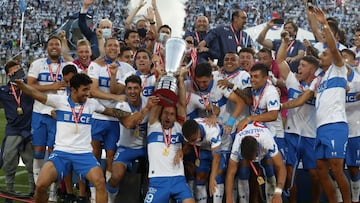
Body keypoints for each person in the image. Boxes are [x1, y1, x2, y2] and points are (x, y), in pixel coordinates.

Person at [14, 73, 136, 203]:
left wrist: (130, 114)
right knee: (41, 185)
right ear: (73, 89)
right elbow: (36, 95)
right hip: (61, 153)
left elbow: (110, 111)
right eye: (84, 90)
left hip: (83, 154)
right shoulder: (59, 101)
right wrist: (23, 86)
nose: (88, 93)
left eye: (88, 89)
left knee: (100, 182)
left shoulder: (92, 104)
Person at [281, 8, 351, 203]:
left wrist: (323, 24)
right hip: (320, 128)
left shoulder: (338, 69)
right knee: (321, 171)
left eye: (326, 54)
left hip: (336, 124)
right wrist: (280, 107)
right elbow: (301, 100)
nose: (323, 56)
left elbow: (334, 48)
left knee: (336, 169)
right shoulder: (317, 80)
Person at [87, 37, 135, 200]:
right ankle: (94, 191)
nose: (113, 48)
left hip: (115, 119)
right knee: (94, 152)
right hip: (97, 115)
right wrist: (114, 96)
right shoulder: (95, 65)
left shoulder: (127, 68)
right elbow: (92, 91)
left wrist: (114, 78)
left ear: (119, 49)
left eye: (116, 46)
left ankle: (107, 193)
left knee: (110, 156)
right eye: (110, 45)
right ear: (105, 48)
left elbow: (120, 89)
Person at [276, 31, 321, 203]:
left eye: (302, 65)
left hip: (311, 136)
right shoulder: (293, 82)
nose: (299, 68)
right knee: (289, 176)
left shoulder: (319, 86)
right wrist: (284, 42)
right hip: (292, 134)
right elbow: (280, 61)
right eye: (299, 65)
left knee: (315, 175)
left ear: (312, 69)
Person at [27, 35, 69, 202]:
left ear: (61, 47)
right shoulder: (38, 64)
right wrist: (52, 86)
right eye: (51, 44)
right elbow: (30, 86)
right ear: (46, 47)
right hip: (39, 112)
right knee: (38, 153)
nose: (54, 47)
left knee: (53, 155)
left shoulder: (67, 66)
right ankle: (39, 190)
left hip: (57, 114)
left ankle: (52, 192)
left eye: (57, 44)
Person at [144, 67, 195, 203]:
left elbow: (182, 104)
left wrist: (180, 80)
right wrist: (160, 79)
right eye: (165, 113)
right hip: (158, 180)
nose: (168, 116)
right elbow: (157, 100)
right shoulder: (153, 126)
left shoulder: (179, 127)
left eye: (172, 114)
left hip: (178, 178)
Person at [106, 75, 156, 202]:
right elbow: (128, 124)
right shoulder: (121, 106)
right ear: (125, 90)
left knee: (154, 176)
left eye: (135, 88)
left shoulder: (149, 101)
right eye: (129, 88)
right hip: (126, 148)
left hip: (146, 148)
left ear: (141, 88)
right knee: (116, 177)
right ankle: (110, 198)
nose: (132, 91)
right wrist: (146, 109)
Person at [225, 121, 286, 203]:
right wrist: (229, 199)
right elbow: (230, 173)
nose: (252, 161)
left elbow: (281, 168)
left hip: (266, 132)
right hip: (247, 136)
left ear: (257, 150)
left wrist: (278, 192)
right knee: (243, 170)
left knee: (269, 169)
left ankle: (273, 198)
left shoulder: (267, 141)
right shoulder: (237, 144)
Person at [0, 61, 35, 200]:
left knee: (31, 163)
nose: (18, 71)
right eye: (15, 70)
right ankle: (9, 192)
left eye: (19, 69)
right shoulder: (4, 91)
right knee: (8, 161)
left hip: (29, 130)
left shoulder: (30, 86)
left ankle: (33, 191)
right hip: (13, 131)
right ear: (9, 74)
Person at [182, 118, 224, 203]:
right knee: (200, 177)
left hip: (221, 147)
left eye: (193, 140)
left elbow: (217, 158)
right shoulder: (187, 130)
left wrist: (212, 178)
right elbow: (188, 144)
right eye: (190, 141)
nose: (192, 143)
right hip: (204, 149)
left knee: (217, 177)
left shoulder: (212, 131)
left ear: (198, 131)